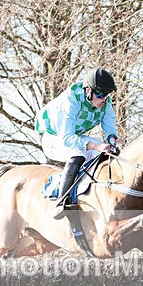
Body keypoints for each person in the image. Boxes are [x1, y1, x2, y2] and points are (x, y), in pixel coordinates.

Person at [35, 68, 124, 218]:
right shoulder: (70, 102)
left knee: (107, 154)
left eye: (107, 94)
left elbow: (109, 129)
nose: (104, 98)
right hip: (53, 137)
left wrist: (112, 140)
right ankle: (62, 202)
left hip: (74, 136)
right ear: (88, 91)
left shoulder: (105, 102)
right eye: (100, 94)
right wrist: (96, 145)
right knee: (78, 154)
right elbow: (67, 139)